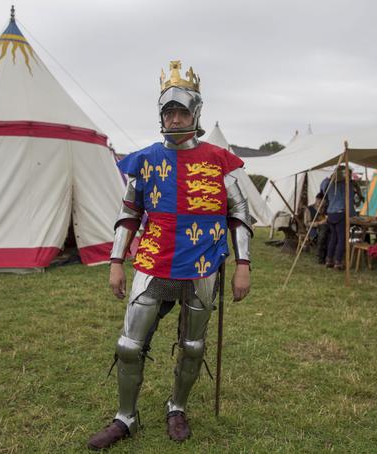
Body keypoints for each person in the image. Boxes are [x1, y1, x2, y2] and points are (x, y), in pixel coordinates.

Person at [87, 61, 252, 450]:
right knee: (128, 345)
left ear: (195, 113)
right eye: (169, 112)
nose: (175, 118)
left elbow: (240, 214)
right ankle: (125, 416)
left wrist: (242, 266)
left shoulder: (219, 160)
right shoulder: (143, 160)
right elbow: (129, 215)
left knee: (193, 346)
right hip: (153, 261)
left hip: (202, 263)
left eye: (181, 111)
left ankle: (176, 407)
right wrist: (115, 262)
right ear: (161, 115)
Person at [320, 166, 364, 270]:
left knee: (333, 238)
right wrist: (353, 215)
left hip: (331, 213)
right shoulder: (346, 185)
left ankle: (329, 260)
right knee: (341, 239)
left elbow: (323, 188)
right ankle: (338, 262)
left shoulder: (328, 183)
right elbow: (348, 201)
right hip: (340, 214)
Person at [303, 192, 328, 263]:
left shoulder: (326, 208)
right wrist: (319, 223)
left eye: (322, 202)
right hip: (313, 230)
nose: (320, 203)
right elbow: (306, 223)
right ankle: (320, 256)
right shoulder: (309, 209)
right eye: (319, 201)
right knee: (323, 232)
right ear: (316, 199)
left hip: (325, 228)